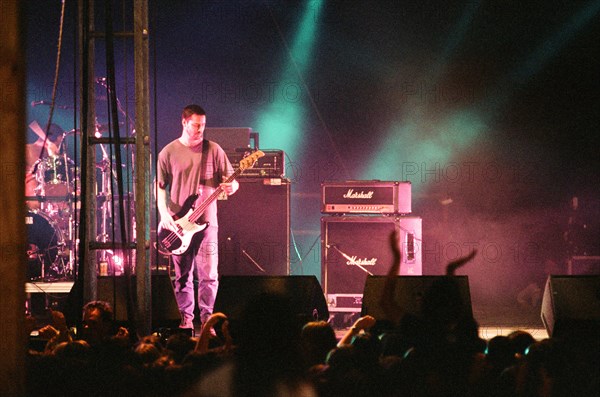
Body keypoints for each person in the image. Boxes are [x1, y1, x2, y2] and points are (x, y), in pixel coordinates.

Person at [157, 104, 238, 330]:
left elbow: (232, 181)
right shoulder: (168, 152)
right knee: (182, 276)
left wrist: (232, 187)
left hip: (207, 223)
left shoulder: (213, 150)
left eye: (203, 125)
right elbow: (160, 187)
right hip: (178, 224)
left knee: (209, 275)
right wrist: (164, 214)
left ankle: (207, 321)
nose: (200, 129)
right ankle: (185, 320)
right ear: (183, 123)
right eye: (195, 125)